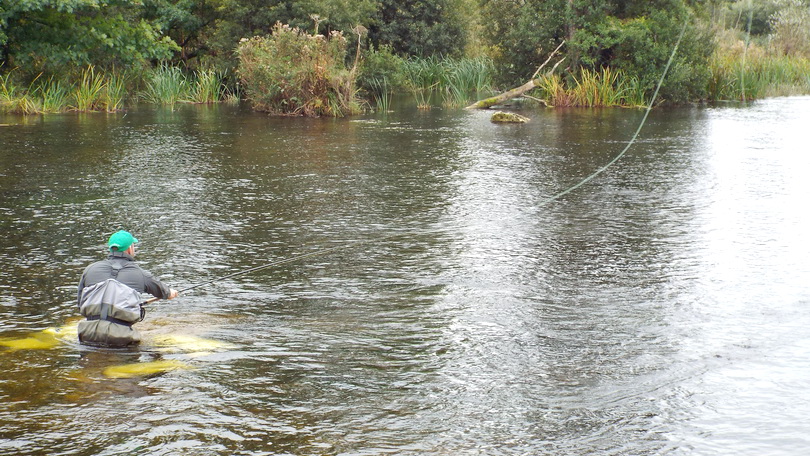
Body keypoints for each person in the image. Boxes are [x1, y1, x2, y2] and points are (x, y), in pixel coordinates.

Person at [77, 230, 178, 347]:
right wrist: (171, 292)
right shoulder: (140, 274)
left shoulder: (90, 269)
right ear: (130, 249)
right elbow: (165, 293)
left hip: (87, 334)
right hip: (121, 338)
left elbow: (80, 304)